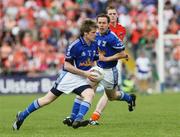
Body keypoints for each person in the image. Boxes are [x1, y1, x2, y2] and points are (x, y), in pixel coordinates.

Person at [12, 19, 100, 130]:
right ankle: (22, 115)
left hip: (82, 77)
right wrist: (85, 73)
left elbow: (94, 61)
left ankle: (78, 119)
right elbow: (67, 66)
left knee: (90, 94)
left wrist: (96, 72)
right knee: (47, 100)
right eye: (93, 32)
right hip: (69, 76)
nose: (96, 34)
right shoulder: (75, 45)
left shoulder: (95, 44)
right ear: (85, 33)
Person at [90, 6, 129, 125]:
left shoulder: (120, 30)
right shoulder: (100, 28)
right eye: (110, 14)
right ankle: (83, 116)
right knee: (90, 89)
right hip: (99, 62)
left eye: (114, 14)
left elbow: (119, 47)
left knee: (109, 94)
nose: (112, 16)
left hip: (111, 63)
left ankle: (95, 115)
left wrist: (121, 55)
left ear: (117, 16)